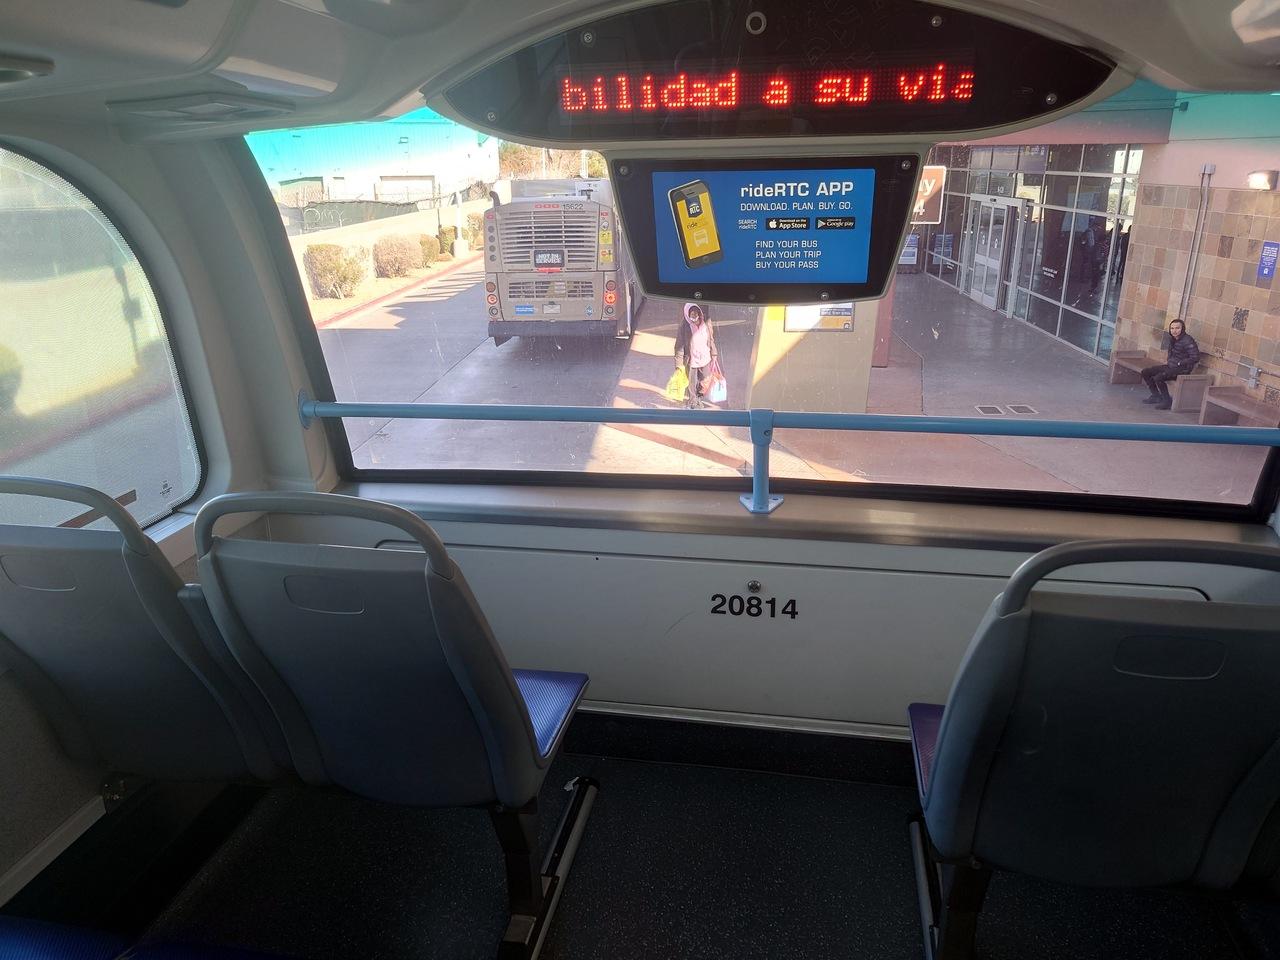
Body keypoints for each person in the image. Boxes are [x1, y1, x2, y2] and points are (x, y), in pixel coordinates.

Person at [1141, 319, 1200, 410]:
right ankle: (1156, 396)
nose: (1174, 331)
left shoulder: (1188, 340)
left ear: (1182, 329)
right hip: (1171, 366)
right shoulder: (1173, 339)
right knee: (1146, 372)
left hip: (1182, 369)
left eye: (1177, 328)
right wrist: (1170, 360)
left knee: (1159, 378)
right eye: (1172, 328)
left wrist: (1180, 363)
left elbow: (1195, 357)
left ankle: (1167, 401)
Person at [674, 302, 718, 408]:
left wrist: (714, 352)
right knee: (691, 383)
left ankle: (699, 396)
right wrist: (679, 364)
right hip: (692, 360)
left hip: (705, 358)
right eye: (692, 315)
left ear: (699, 313)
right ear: (687, 314)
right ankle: (693, 401)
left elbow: (711, 338)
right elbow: (679, 346)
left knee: (705, 379)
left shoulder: (706, 321)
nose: (694, 317)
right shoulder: (684, 326)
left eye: (696, 314)